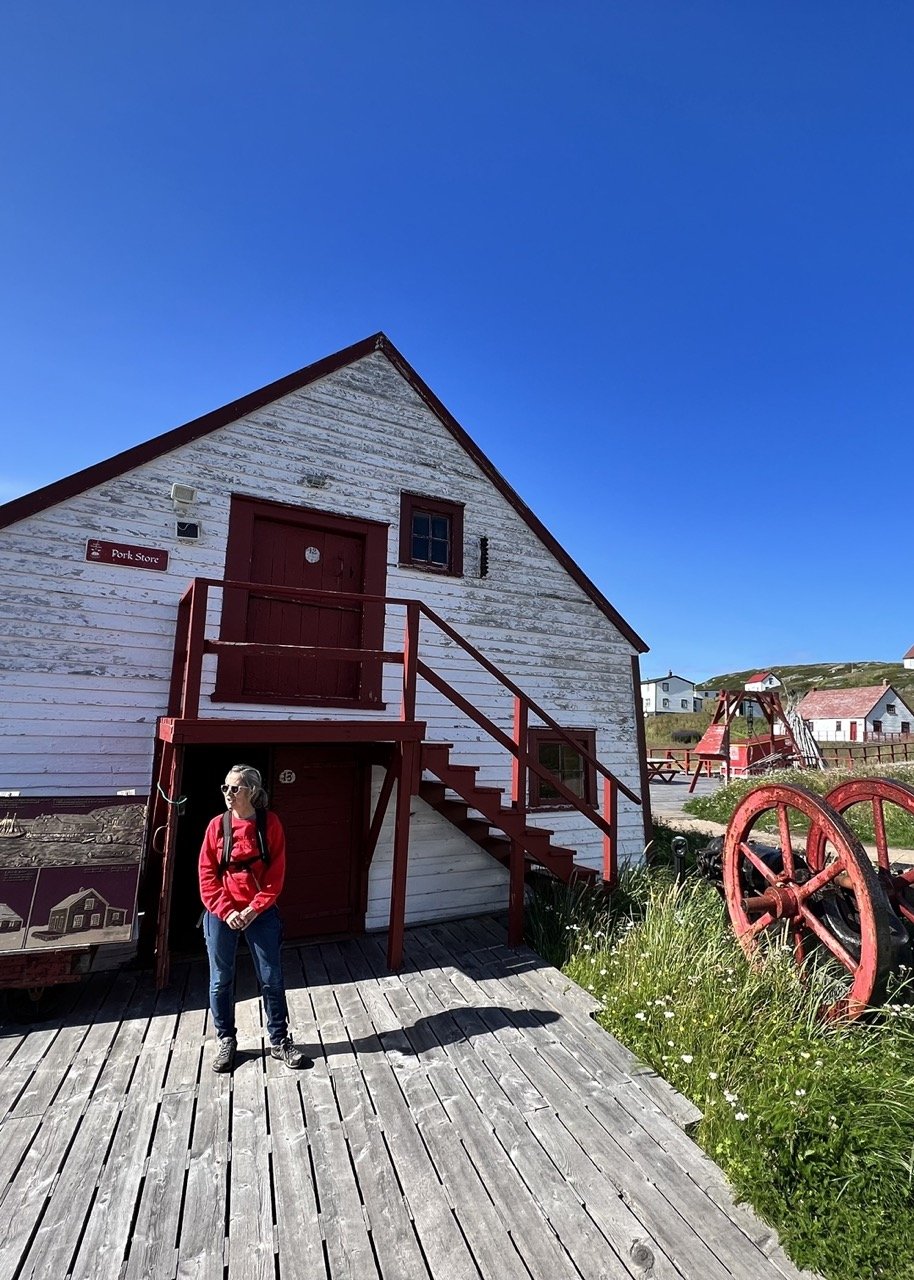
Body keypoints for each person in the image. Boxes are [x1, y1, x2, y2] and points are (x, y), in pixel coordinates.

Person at [198, 763, 309, 1073]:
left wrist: (254, 908)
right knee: (221, 979)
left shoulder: (269, 824)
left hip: (259, 912)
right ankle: (226, 1040)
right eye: (225, 787)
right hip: (222, 912)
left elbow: (276, 876)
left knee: (271, 976)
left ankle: (279, 1040)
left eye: (235, 788)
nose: (228, 793)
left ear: (252, 792)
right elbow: (207, 875)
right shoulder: (216, 827)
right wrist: (228, 911)